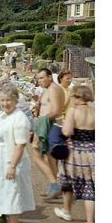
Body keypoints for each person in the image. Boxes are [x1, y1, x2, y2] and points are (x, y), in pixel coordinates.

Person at [0, 83, 35, 223]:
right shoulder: (2, 116)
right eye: (2, 100)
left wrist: (12, 165)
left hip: (11, 159)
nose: (5, 103)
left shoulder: (19, 118)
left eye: (9, 100)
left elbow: (20, 144)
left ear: (15, 99)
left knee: (12, 194)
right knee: (4, 194)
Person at [54, 85, 96, 223]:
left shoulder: (73, 111)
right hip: (92, 151)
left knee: (68, 181)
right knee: (89, 187)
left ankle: (66, 211)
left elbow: (67, 131)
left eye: (73, 96)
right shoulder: (94, 111)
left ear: (78, 97)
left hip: (76, 151)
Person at [32, 68, 65, 199]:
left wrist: (41, 122)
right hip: (49, 125)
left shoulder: (54, 89)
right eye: (38, 78)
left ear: (50, 77)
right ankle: (54, 186)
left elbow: (56, 111)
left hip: (47, 126)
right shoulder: (48, 90)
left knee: (36, 156)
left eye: (42, 78)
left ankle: (54, 185)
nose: (40, 81)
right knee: (50, 159)